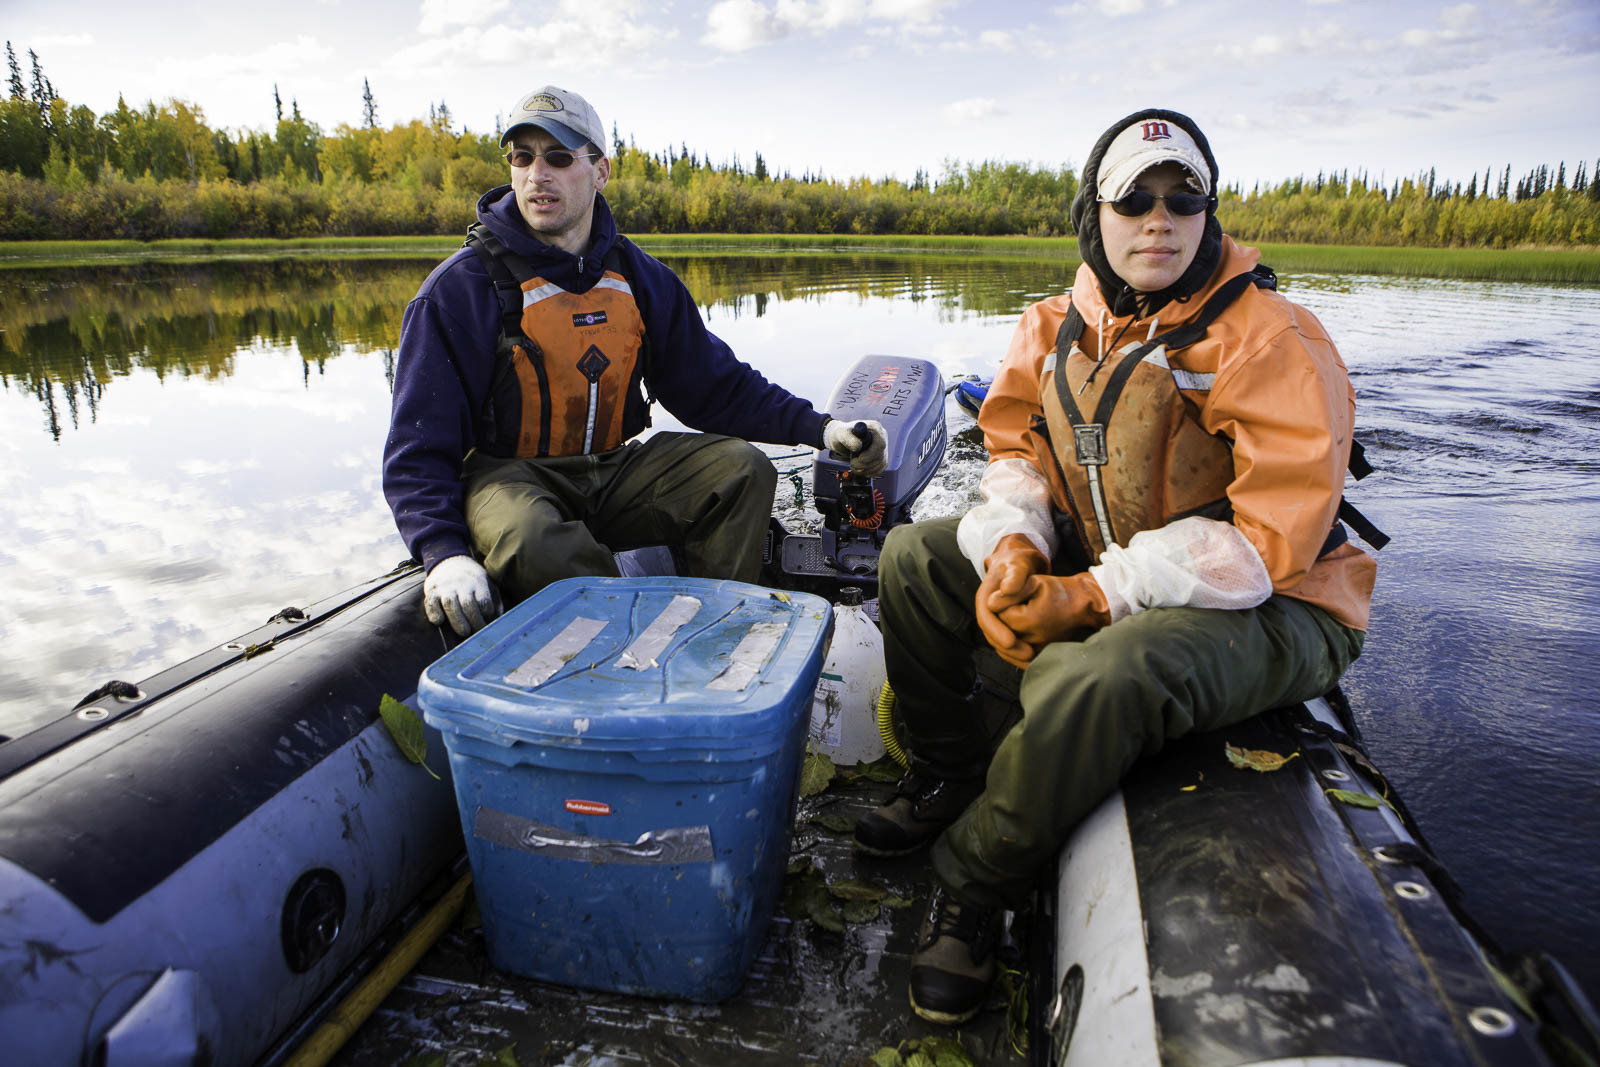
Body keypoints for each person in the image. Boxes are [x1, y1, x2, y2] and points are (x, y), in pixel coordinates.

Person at [853, 108, 1378, 1025]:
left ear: (1209, 213)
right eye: (1133, 200)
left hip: (1283, 600)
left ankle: (975, 881)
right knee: (912, 558)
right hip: (1113, 553)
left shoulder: (1272, 338)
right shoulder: (1052, 324)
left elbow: (1270, 539)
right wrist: (1015, 548)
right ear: (1093, 215)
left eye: (1183, 199)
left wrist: (1093, 595)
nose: (1158, 220)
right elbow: (1014, 452)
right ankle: (945, 773)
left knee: (1100, 674)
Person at [382, 85, 886, 636]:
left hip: (612, 468)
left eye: (558, 158)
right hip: (508, 479)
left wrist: (822, 428)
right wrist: (443, 552)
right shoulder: (458, 291)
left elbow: (716, 387)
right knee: (531, 536)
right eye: (522, 158)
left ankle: (713, 634)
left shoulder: (641, 278)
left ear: (599, 171)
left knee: (742, 469)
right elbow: (417, 451)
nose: (536, 175)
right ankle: (629, 648)